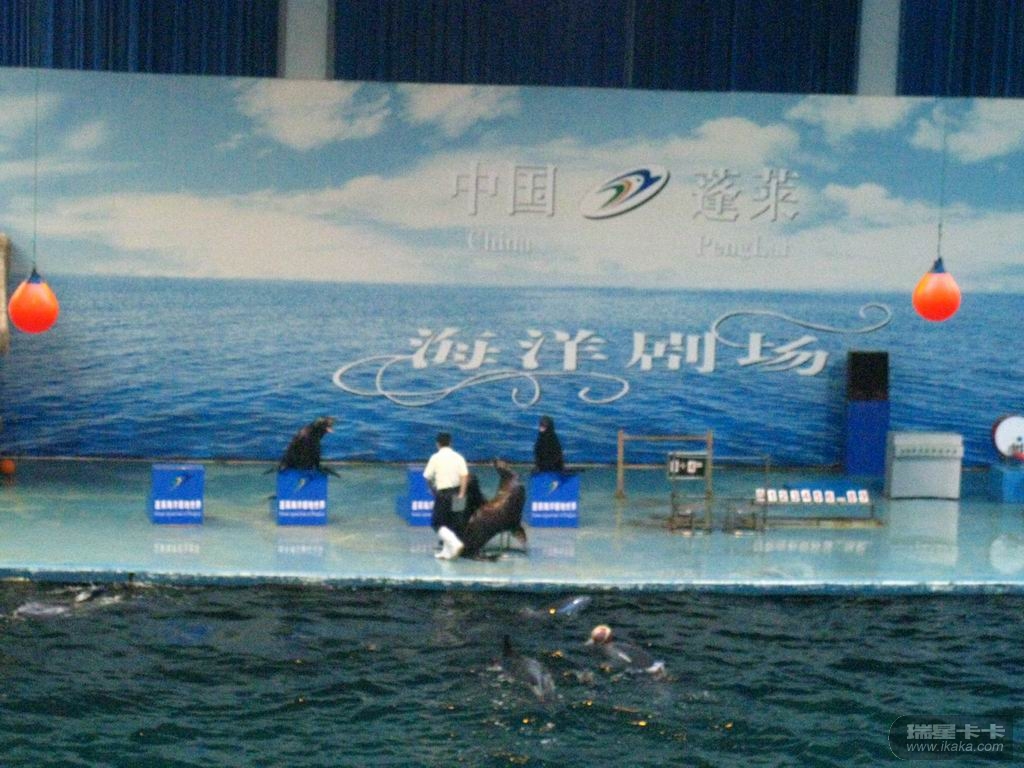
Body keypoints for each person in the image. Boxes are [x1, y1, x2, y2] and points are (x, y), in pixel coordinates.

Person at [423, 431, 469, 559]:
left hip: (443, 494)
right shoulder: (458, 457)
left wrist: (432, 490)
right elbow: (464, 476)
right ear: (450, 443)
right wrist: (462, 494)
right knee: (454, 523)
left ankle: (455, 543)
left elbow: (427, 477)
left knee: (437, 523)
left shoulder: (435, 457)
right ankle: (446, 552)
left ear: (437, 444)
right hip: (458, 493)